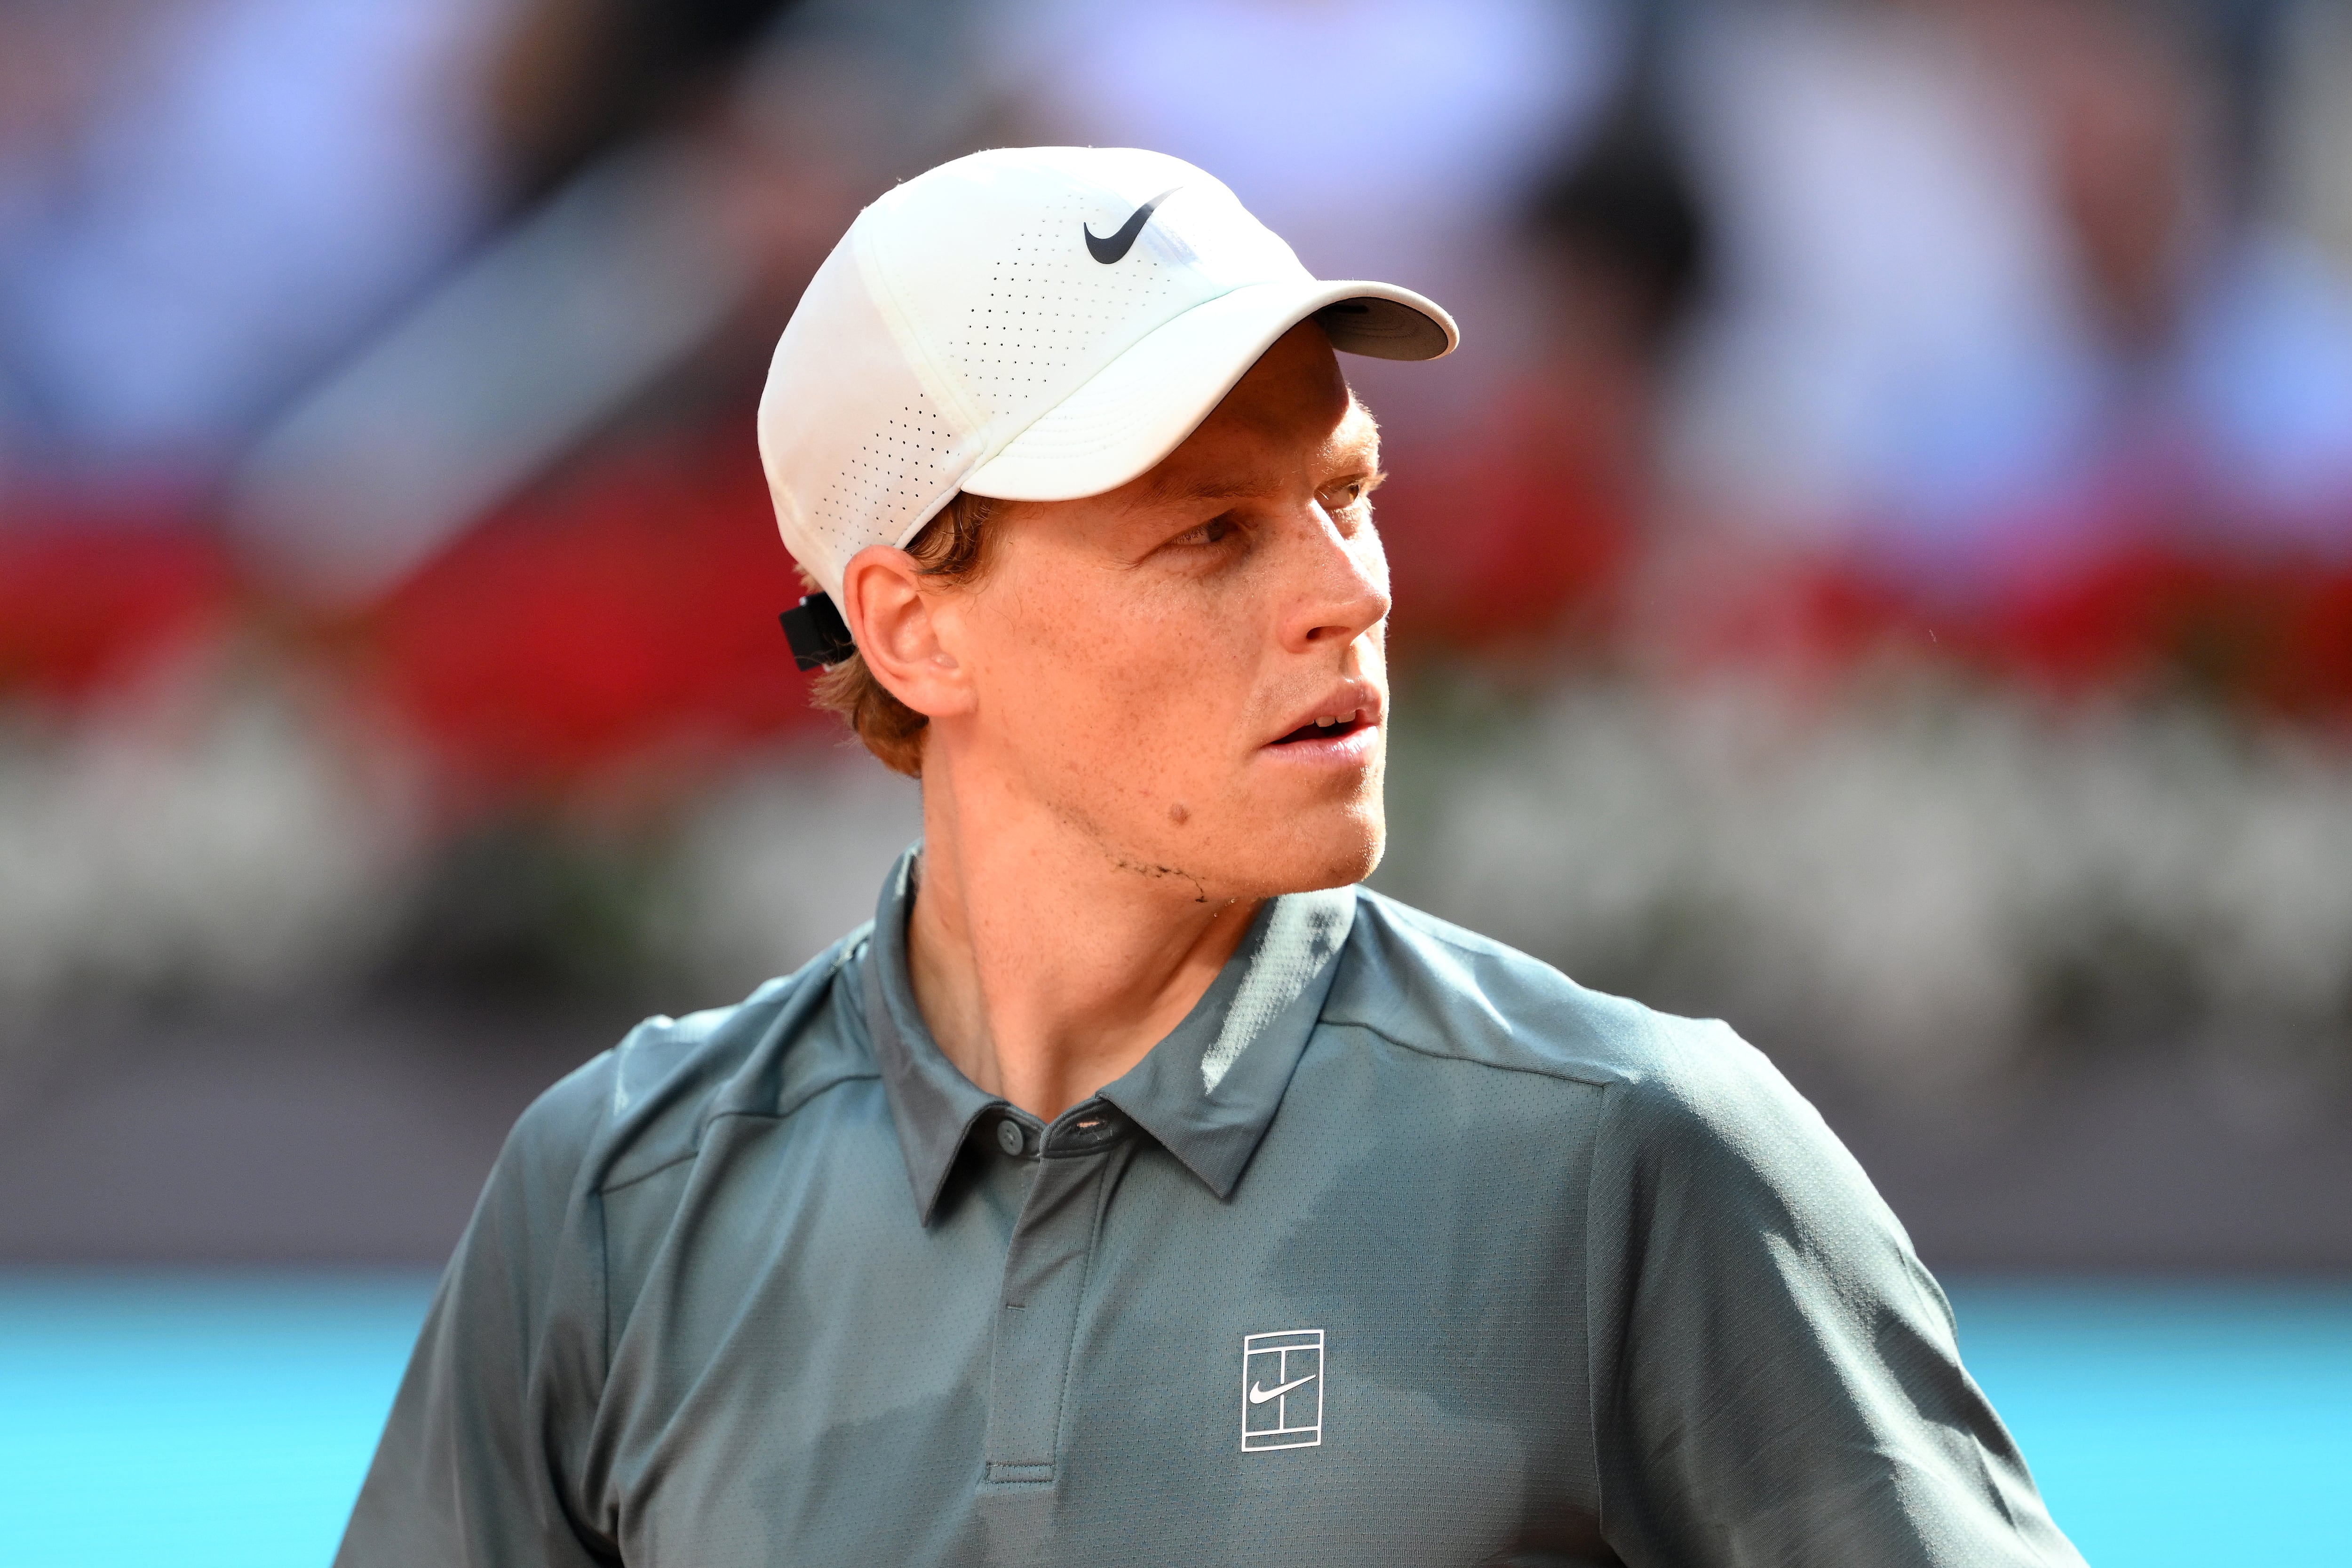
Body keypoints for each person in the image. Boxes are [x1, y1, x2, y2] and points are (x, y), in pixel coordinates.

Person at [336, 146, 2084, 1567]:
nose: (1354, 588)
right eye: (1211, 536)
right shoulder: (611, 1206)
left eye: (1352, 489)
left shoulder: (1640, 1153)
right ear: (912, 630)